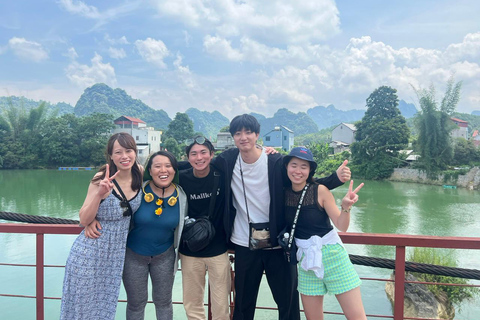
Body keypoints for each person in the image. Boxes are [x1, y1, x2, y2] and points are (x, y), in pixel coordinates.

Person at [211, 114, 351, 320]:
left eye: (248, 132)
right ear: (233, 137)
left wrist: (334, 179)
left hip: (278, 243)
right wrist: (158, 168)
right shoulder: (228, 159)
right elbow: (199, 165)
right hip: (244, 243)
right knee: (243, 303)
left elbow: (301, 182)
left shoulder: (274, 161)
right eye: (238, 133)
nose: (243, 137)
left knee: (287, 302)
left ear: (257, 134)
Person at [60, 132, 143, 320]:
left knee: (105, 308)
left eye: (129, 151)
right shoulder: (101, 178)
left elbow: (166, 173)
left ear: (135, 153)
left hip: (114, 256)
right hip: (90, 251)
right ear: (111, 156)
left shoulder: (139, 172)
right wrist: (99, 194)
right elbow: (83, 218)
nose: (124, 156)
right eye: (118, 152)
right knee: (83, 308)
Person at [283, 146, 366, 320]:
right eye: (294, 165)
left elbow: (341, 225)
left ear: (310, 170)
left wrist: (345, 207)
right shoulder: (282, 193)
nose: (298, 171)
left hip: (332, 256)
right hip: (305, 260)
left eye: (304, 167)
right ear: (286, 167)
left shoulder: (320, 190)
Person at [122, 150, 187, 320]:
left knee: (164, 302)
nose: (163, 170)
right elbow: (116, 211)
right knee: (136, 304)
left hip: (164, 256)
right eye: (157, 166)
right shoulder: (136, 191)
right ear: (149, 171)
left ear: (175, 170)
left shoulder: (182, 196)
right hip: (133, 255)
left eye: (168, 166)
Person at [178, 136, 230, 320]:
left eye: (203, 153)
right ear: (187, 157)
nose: (199, 158)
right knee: (192, 302)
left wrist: (266, 150)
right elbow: (153, 172)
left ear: (211, 155)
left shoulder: (222, 175)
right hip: (189, 249)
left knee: (221, 302)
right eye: (194, 154)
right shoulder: (180, 178)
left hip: (218, 249)